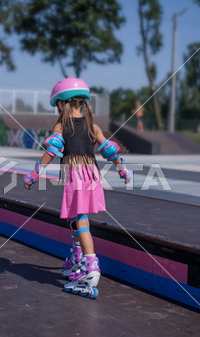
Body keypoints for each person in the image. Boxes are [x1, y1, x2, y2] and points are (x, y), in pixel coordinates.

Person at [24, 78, 132, 299]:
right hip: (92, 174)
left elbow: (51, 150)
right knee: (74, 218)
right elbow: (110, 150)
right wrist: (123, 170)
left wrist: (35, 173)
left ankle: (92, 267)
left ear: (61, 104)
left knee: (80, 219)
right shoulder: (93, 126)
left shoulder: (61, 126)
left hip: (77, 175)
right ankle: (77, 259)